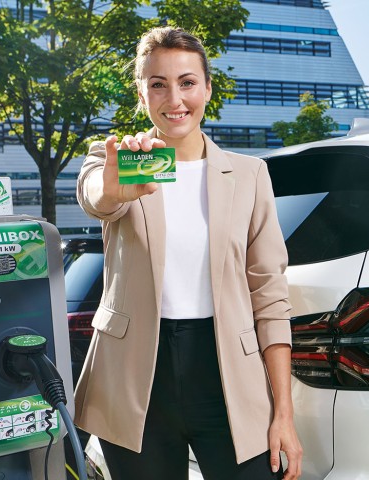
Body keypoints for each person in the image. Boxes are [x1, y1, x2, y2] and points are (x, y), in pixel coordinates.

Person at [73, 26, 303, 480]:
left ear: (206, 89)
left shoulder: (249, 174)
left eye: (187, 82)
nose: (174, 98)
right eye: (158, 83)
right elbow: (95, 195)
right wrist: (114, 189)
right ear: (141, 93)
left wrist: (283, 414)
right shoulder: (118, 158)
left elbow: (270, 297)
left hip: (226, 375)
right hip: (136, 378)